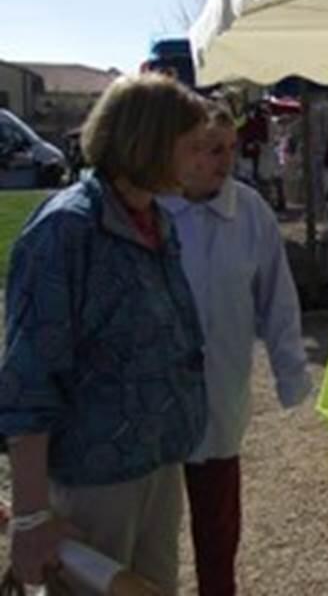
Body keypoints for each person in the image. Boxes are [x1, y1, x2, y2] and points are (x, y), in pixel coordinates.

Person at [0, 73, 209, 594]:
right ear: (150, 145)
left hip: (156, 462)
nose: (200, 159)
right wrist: (30, 519)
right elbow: (28, 378)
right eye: (191, 147)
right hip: (96, 481)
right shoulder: (67, 231)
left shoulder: (155, 220)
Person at [158, 102, 311, 596]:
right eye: (208, 149)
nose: (224, 160)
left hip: (222, 387)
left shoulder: (249, 210)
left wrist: (291, 372)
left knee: (218, 524)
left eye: (228, 148)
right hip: (153, 398)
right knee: (152, 531)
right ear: (180, 150)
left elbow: (277, 297)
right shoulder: (152, 210)